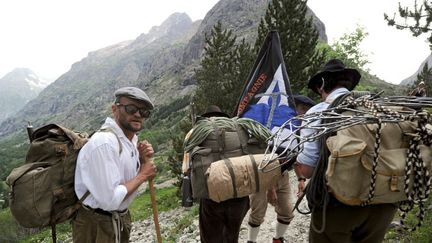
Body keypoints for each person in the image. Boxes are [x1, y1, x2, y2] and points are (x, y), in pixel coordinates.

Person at [295, 59, 397, 243]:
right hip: (384, 202)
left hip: (338, 204)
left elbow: (307, 169)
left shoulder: (320, 112)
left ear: (322, 85)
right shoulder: (381, 109)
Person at [73, 87, 157, 243]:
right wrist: (143, 174)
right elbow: (109, 200)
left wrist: (141, 159)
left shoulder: (131, 140)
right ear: (114, 109)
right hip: (97, 224)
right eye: (131, 108)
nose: (138, 114)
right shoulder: (104, 143)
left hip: (119, 218)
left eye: (144, 112)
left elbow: (125, 179)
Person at [246, 95, 316, 243]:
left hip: (282, 175)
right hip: (261, 175)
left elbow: (294, 157)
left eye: (307, 111)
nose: (305, 114)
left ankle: (278, 239)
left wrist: (301, 179)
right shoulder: (275, 127)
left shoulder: (298, 131)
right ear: (293, 109)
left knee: (286, 212)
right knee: (258, 213)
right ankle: (251, 241)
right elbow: (267, 159)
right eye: (302, 110)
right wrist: (270, 189)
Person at [183, 105, 250, 243]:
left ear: (205, 118)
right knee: (232, 235)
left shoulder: (196, 132)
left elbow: (186, 168)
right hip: (239, 195)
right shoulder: (238, 129)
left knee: (211, 237)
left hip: (212, 197)